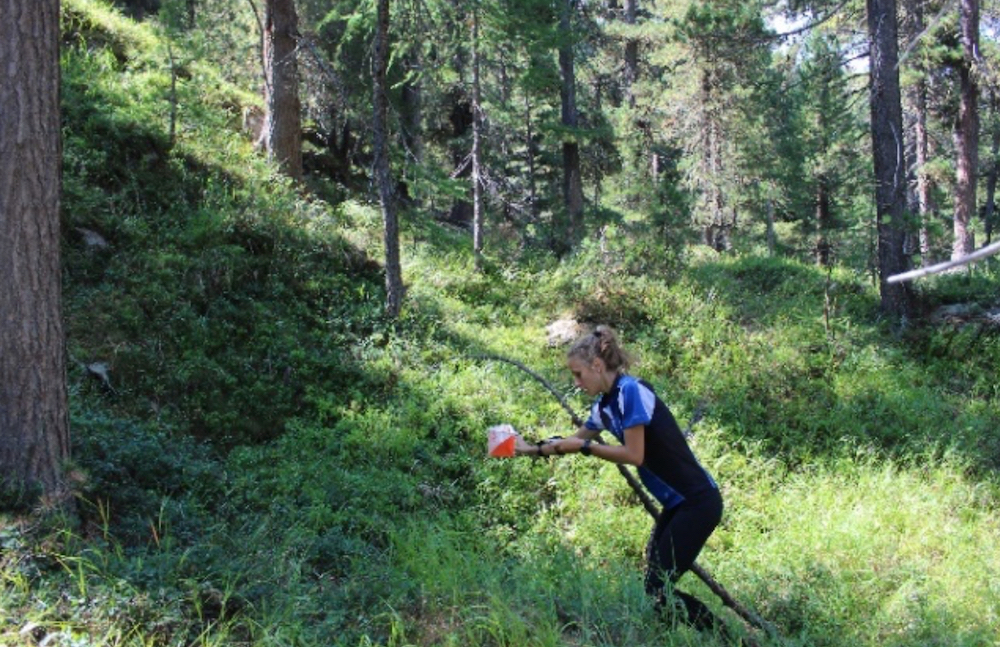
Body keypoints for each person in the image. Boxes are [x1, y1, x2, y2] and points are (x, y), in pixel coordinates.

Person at [513, 325, 724, 632]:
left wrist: (586, 448)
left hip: (698, 502)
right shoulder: (604, 406)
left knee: (657, 590)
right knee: (655, 587)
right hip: (677, 504)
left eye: (578, 374)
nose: (576, 383)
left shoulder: (631, 392)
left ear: (597, 366)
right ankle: (670, 637)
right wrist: (529, 449)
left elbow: (634, 454)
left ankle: (727, 638)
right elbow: (573, 441)